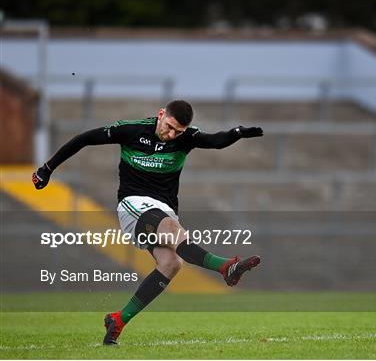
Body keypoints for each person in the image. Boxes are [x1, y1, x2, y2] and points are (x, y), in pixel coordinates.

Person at [32, 100, 263, 345]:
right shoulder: (132, 131)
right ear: (161, 115)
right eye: (169, 127)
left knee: (172, 264)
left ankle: (118, 320)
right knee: (174, 231)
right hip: (133, 205)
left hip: (163, 210)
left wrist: (237, 132)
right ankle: (225, 266)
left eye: (178, 132)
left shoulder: (186, 138)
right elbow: (84, 139)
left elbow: (216, 141)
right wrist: (47, 169)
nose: (171, 134)